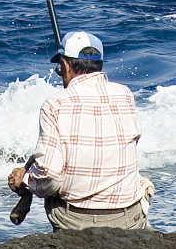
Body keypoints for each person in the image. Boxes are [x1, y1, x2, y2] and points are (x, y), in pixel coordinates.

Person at [8, 30, 152, 230]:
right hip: (128, 217)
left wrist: (25, 180)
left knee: (44, 175)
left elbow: (49, 177)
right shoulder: (125, 94)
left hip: (75, 221)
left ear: (66, 65)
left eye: (60, 69)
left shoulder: (54, 104)